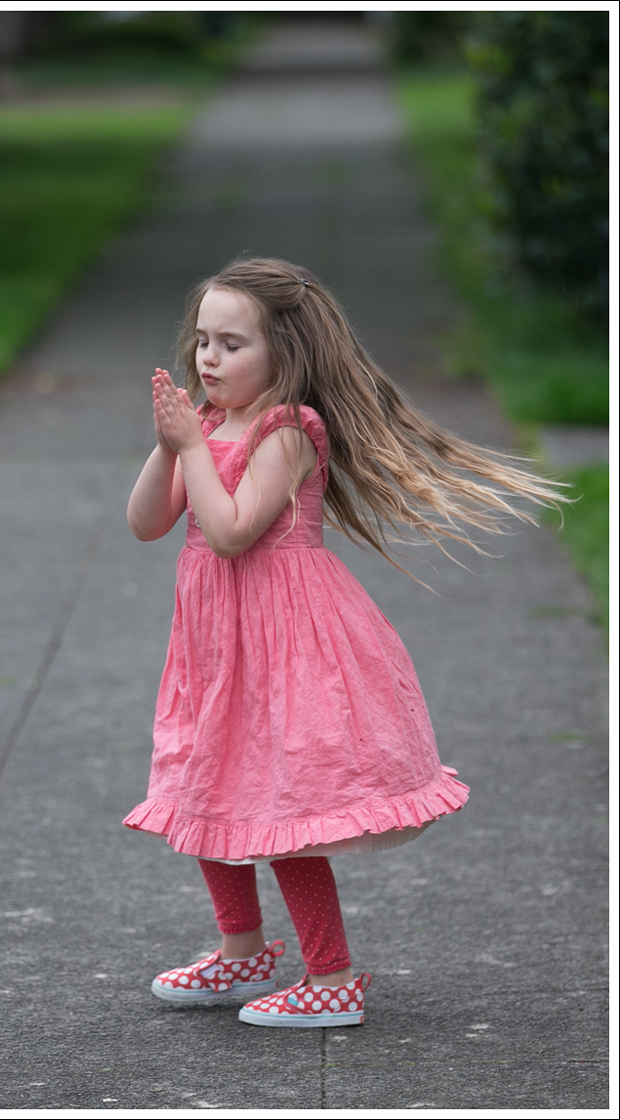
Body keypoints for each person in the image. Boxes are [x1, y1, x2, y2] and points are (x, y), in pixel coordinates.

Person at [123, 257, 566, 1028]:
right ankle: (242, 952)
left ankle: (332, 977)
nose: (208, 359)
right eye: (202, 341)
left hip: (284, 642)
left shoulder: (290, 429)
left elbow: (230, 534)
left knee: (287, 803)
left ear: (283, 354)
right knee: (205, 788)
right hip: (216, 649)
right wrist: (171, 443)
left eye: (232, 344)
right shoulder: (210, 425)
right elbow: (146, 521)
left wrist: (192, 448)